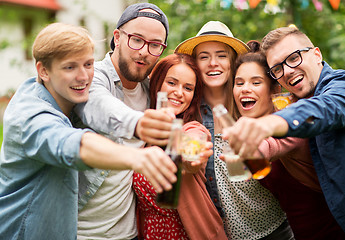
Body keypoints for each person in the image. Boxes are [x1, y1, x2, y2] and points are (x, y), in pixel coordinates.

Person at [0, 23, 177, 240]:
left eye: (88, 64)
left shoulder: (55, 92)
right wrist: (137, 157)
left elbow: (99, 105)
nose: (83, 77)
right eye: (69, 67)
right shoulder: (30, 116)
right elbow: (73, 144)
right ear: (43, 71)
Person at [224, 26, 345, 239]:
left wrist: (267, 126)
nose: (287, 71)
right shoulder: (288, 105)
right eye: (277, 68)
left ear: (316, 55)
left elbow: (324, 109)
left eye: (294, 58)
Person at [175, 21, 294, 239]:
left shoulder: (251, 102)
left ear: (232, 61)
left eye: (221, 55)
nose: (213, 63)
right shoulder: (189, 112)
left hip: (275, 230)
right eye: (203, 57)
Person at [73, 3, 178, 239]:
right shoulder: (93, 75)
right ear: (117, 37)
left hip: (130, 232)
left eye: (155, 45)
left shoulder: (153, 90)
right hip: (81, 231)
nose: (144, 51)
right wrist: (138, 123)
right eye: (137, 39)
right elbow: (96, 105)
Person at [133, 53, 227, 239]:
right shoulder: (141, 132)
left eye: (188, 88)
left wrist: (192, 155)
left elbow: (193, 148)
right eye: (172, 83)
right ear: (157, 82)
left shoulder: (192, 128)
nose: (179, 92)